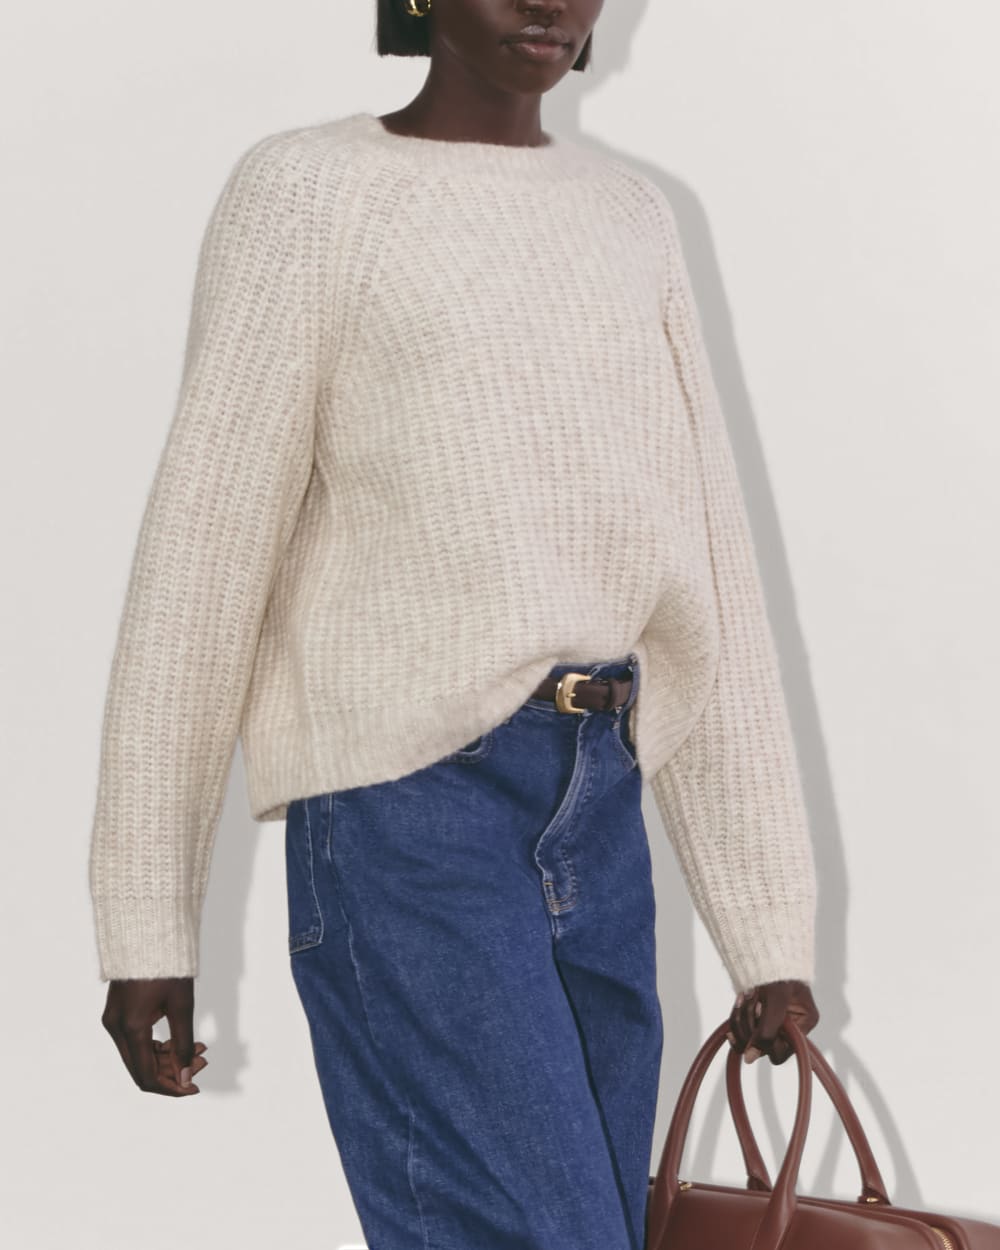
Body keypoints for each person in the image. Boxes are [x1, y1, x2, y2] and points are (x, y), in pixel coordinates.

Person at [89, 1, 821, 1246]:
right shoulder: (308, 192)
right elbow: (202, 558)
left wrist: (765, 931)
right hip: (408, 807)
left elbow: (707, 566)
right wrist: (147, 911)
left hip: (602, 799)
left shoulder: (630, 216)